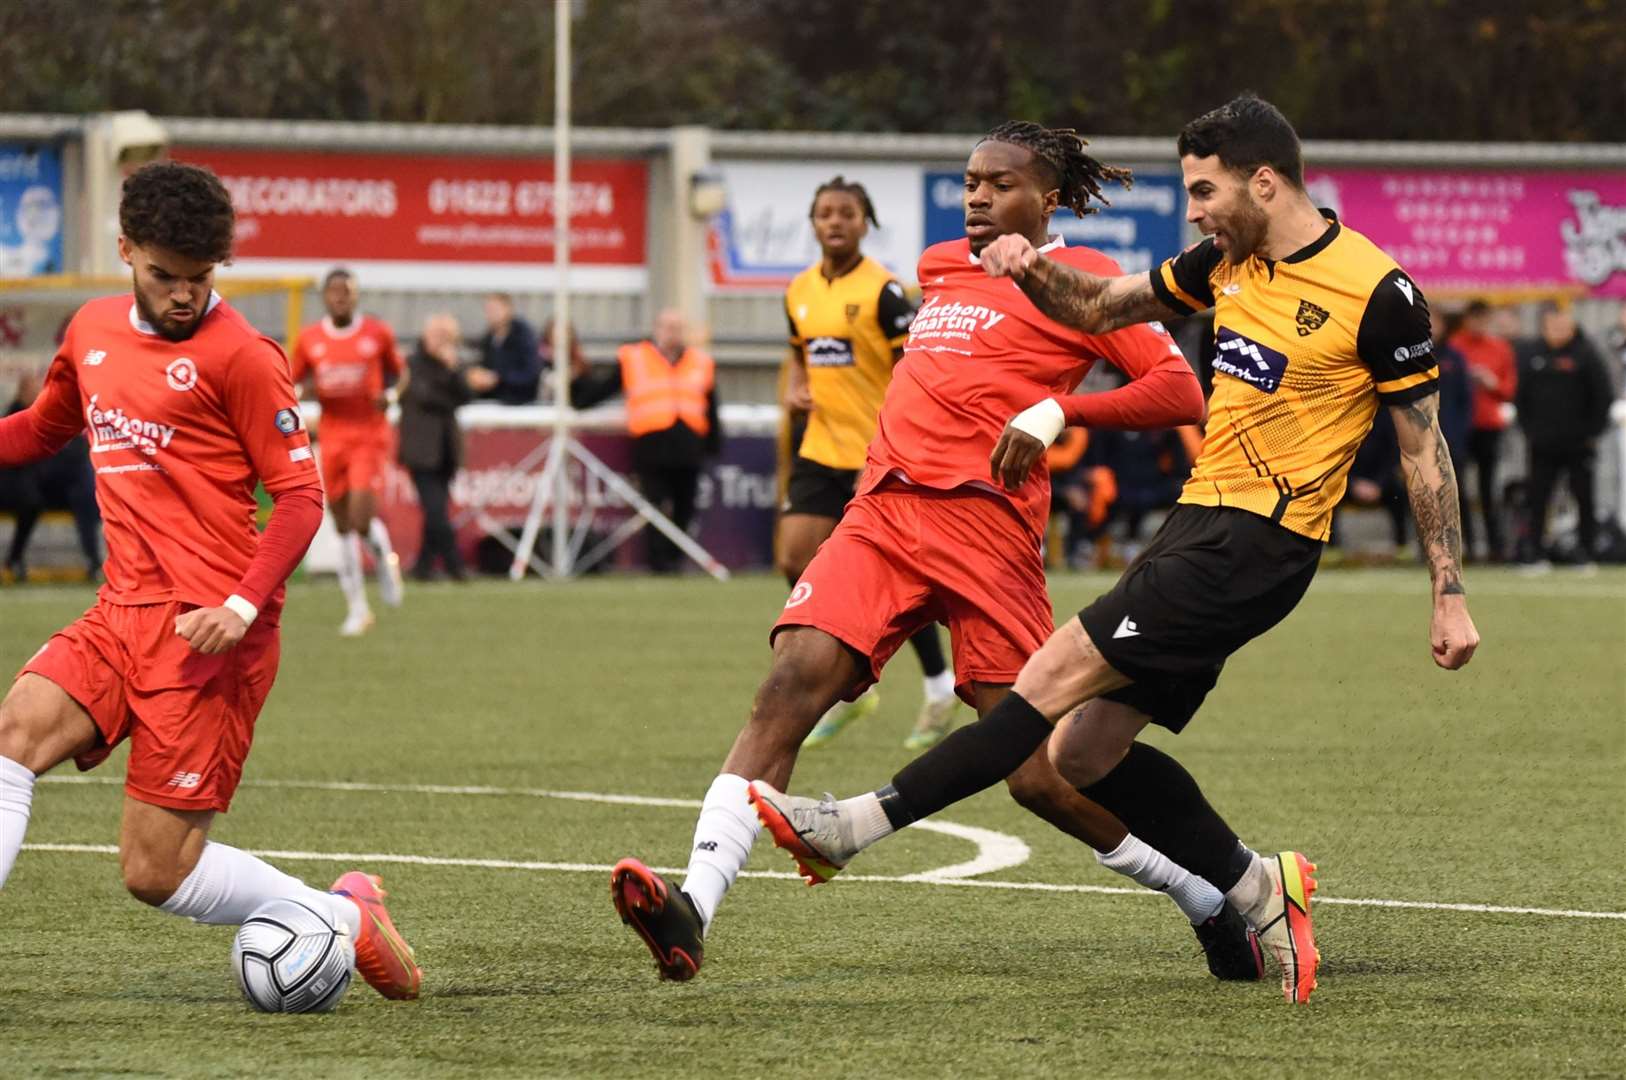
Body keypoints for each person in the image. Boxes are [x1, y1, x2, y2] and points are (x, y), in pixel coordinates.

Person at [750, 95, 1481, 1006]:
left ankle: (851, 827)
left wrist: (1447, 589)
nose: (1194, 212)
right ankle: (1257, 887)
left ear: (1265, 180)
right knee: (1081, 757)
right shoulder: (1223, 261)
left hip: (1256, 544)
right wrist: (1024, 270)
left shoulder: (1378, 291)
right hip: (1197, 526)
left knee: (1041, 687)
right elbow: (1098, 306)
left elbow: (1424, 446)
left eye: (1205, 191)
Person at [612, 121, 1266, 988]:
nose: (978, 198)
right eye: (969, 183)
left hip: (988, 536)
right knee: (786, 684)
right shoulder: (936, 264)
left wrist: (1061, 413)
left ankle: (1205, 898)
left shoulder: (1091, 282)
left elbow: (1179, 389)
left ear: (1051, 200)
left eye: (1000, 185)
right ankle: (692, 903)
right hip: (881, 513)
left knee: (1039, 775)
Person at [0, 161, 421, 1000]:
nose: (184, 295)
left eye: (201, 278)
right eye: (164, 276)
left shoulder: (245, 357)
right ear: (125, 251)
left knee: (153, 872)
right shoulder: (89, 332)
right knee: (14, 731)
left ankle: (335, 914)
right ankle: (333, 913)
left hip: (212, 639)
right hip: (121, 613)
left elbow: (301, 500)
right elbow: (43, 430)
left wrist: (237, 605)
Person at [778, 176, 960, 752]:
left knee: (894, 580)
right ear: (812, 223)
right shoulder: (799, 291)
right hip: (820, 449)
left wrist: (902, 442)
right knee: (792, 557)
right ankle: (856, 689)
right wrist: (797, 389)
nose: (835, 222)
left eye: (847, 213)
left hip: (876, 454)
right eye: (825, 212)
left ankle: (938, 687)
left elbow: (914, 371)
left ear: (864, 223)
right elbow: (798, 357)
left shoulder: (884, 292)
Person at [289, 268, 407, 636]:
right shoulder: (310, 339)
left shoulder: (376, 333)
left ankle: (386, 566)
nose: (341, 298)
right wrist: (300, 397)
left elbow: (401, 375)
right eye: (335, 292)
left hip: (368, 435)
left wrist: (391, 396)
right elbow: (291, 380)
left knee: (360, 517)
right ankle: (357, 608)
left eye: (348, 292)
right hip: (333, 435)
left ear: (356, 297)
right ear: (325, 297)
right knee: (341, 526)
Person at [572, 309, 720, 574]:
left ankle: (675, 557)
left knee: (685, 506)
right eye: (668, 327)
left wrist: (712, 445)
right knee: (653, 506)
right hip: (652, 445)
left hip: (688, 445)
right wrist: (577, 392)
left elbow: (711, 407)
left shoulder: (700, 362)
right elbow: (605, 388)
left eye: (677, 328)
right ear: (656, 328)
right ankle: (659, 562)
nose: (672, 334)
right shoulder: (635, 358)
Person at [1514, 303, 1614, 569]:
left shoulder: (1586, 355)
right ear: (1544, 327)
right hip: (1542, 443)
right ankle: (1535, 553)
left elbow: (1602, 397)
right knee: (1538, 499)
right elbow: (1520, 397)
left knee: (1584, 498)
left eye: (1563, 326)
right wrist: (1529, 430)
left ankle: (1586, 553)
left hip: (1578, 443)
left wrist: (1593, 433)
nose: (1557, 331)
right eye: (1552, 326)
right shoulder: (1532, 355)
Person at [399, 314, 497, 580]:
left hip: (446, 449)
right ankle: (456, 566)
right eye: (438, 336)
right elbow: (425, 395)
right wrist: (451, 382)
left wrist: (453, 372)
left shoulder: (452, 366)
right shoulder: (412, 363)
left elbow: (466, 396)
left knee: (437, 510)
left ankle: (423, 567)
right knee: (435, 510)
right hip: (421, 449)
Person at [0, 371, 101, 581]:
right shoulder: (19, 416)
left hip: (50, 485)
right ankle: (15, 559)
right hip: (21, 485)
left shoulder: (59, 418)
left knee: (84, 491)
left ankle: (96, 561)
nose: (39, 393)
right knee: (31, 499)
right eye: (35, 389)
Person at [1450, 300, 1516, 562]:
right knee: (1458, 489)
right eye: (1474, 319)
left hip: (1488, 425)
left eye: (1483, 319)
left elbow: (1509, 390)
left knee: (1489, 489)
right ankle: (1465, 546)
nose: (1478, 324)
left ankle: (1494, 546)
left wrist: (1491, 382)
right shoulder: (1454, 346)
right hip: (1459, 427)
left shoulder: (1500, 348)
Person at [475, 292, 542, 405]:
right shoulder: (488, 338)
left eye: (495, 309)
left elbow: (531, 373)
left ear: (508, 309)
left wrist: (499, 378)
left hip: (521, 402)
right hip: (494, 401)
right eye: (488, 310)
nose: (490, 314)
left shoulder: (524, 337)